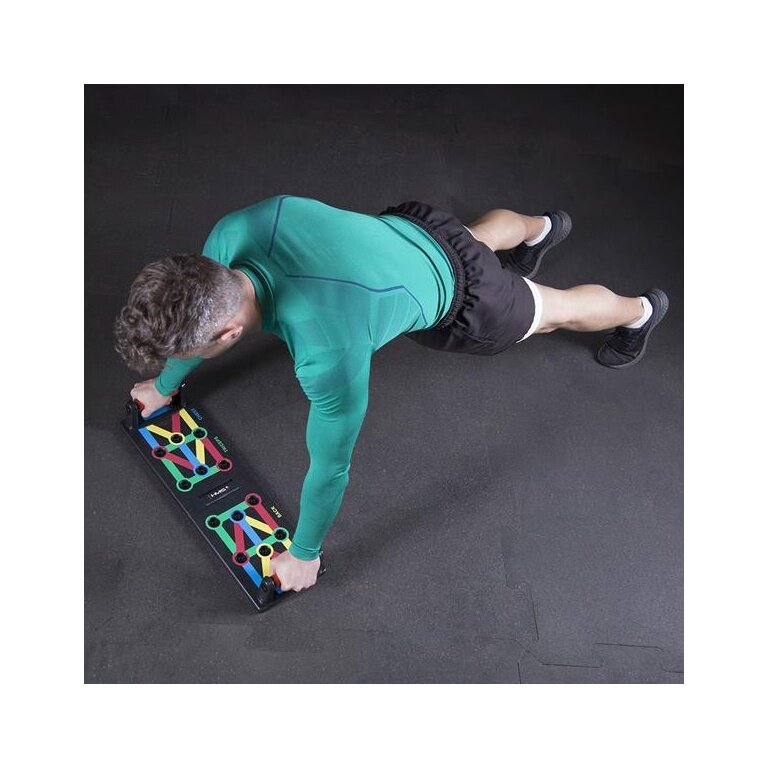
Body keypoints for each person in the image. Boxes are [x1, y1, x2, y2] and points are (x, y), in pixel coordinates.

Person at [114, 196, 668, 592]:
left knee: (556, 310)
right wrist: (163, 387)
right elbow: (200, 321)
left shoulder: (327, 348)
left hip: (464, 297)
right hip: (413, 227)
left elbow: (331, 467)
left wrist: (303, 554)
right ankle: (542, 227)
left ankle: (639, 312)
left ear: (229, 335)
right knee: (471, 238)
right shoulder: (230, 236)